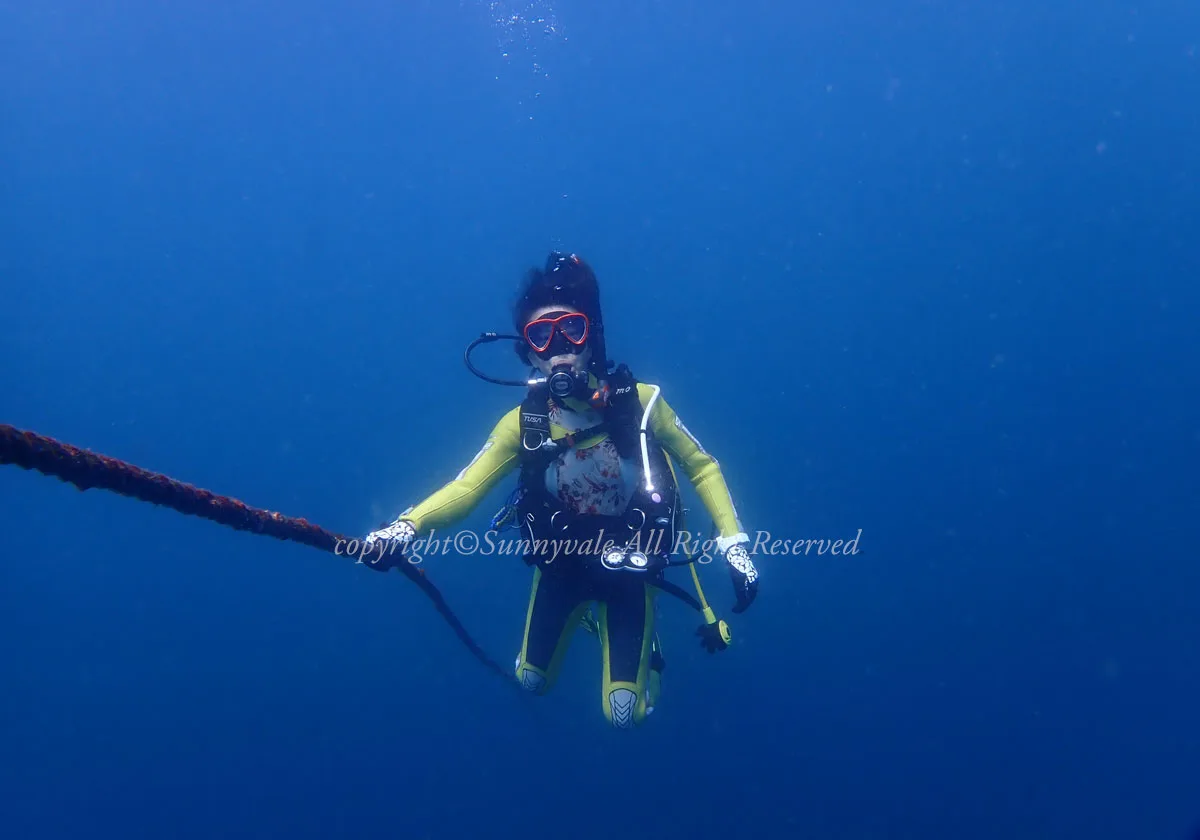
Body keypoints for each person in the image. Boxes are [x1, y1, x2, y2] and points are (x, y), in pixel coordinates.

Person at [362, 251, 759, 729]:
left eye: (571, 330)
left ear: (592, 334)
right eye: (541, 337)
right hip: (561, 567)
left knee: (624, 713)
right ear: (527, 353)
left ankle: (648, 653)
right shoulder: (522, 425)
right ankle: (591, 624)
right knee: (531, 681)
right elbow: (466, 487)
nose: (559, 349)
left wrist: (734, 546)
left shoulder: (645, 404)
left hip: (633, 570)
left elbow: (701, 466)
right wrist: (405, 527)